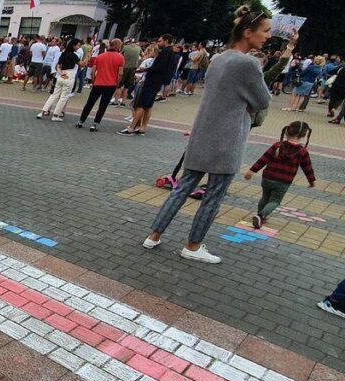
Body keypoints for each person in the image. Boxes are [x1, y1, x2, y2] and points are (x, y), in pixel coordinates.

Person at [144, 6, 272, 264]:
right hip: (228, 137)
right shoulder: (248, 63)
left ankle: (154, 235)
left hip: (203, 131)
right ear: (248, 32)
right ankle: (192, 245)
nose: (268, 36)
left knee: (182, 187)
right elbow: (263, 100)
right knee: (213, 196)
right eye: (266, 31)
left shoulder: (219, 58)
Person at [244, 121, 315, 229]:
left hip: (268, 177)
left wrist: (252, 171)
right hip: (283, 181)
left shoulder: (277, 146)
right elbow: (307, 167)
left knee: (265, 197)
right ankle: (261, 215)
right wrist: (311, 180)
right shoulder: (302, 151)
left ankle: (260, 215)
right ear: (304, 135)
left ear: (287, 131)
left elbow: (263, 159)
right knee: (275, 201)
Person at [119, 34, 175, 136]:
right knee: (148, 106)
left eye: (160, 41)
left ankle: (131, 127)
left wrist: (144, 69)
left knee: (141, 105)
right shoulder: (170, 52)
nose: (158, 43)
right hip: (156, 82)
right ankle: (142, 127)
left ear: (166, 41)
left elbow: (159, 68)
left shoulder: (166, 52)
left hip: (152, 81)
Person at [76, 39, 124, 132]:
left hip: (98, 83)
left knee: (90, 103)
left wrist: (93, 81)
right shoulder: (120, 57)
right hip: (110, 84)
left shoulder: (100, 56)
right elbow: (120, 73)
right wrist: (117, 83)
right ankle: (95, 124)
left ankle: (81, 121)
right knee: (103, 105)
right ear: (118, 46)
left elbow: (93, 71)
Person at [38, 38, 81, 121]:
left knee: (54, 94)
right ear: (74, 45)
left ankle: (43, 111)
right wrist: (88, 57)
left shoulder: (63, 53)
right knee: (64, 96)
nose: (78, 47)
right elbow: (81, 64)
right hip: (69, 74)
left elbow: (58, 66)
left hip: (61, 75)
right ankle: (56, 115)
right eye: (78, 45)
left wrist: (60, 73)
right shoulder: (73, 55)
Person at [113, 39, 141, 107]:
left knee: (119, 85)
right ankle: (123, 101)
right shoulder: (139, 48)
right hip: (133, 69)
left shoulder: (125, 47)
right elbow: (142, 56)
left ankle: (116, 101)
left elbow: (120, 55)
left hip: (124, 67)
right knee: (127, 87)